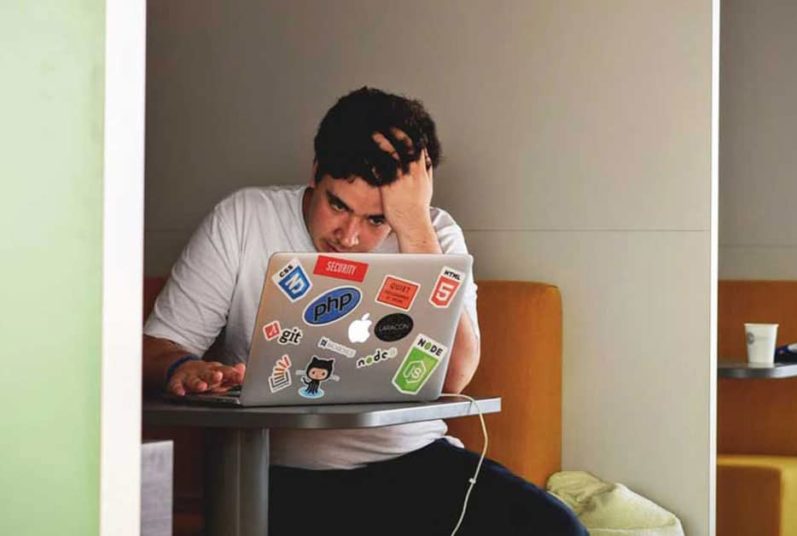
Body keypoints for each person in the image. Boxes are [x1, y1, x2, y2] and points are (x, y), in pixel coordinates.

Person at [142, 87, 587, 535]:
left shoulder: (434, 234)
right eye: (338, 205)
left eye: (376, 220)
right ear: (316, 172)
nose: (348, 237)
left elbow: (455, 376)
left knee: (557, 529)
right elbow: (155, 347)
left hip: (413, 461)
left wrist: (413, 225)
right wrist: (183, 367)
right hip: (279, 476)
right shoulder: (243, 218)